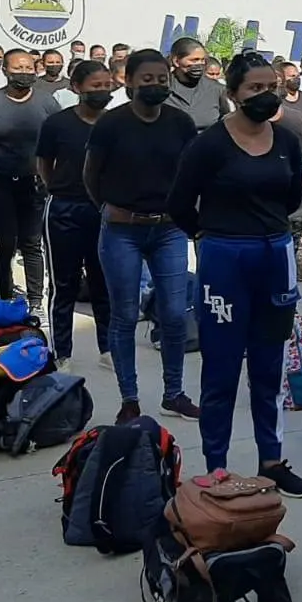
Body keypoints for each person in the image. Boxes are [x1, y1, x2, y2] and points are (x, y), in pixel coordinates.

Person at [167, 52, 302, 495]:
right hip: (225, 261)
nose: (266, 95)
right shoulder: (209, 144)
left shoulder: (286, 139)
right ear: (232, 93)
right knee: (222, 369)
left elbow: (291, 197)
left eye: (271, 87)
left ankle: (272, 461)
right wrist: (211, 238)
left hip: (276, 257)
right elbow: (179, 204)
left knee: (269, 368)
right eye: (255, 88)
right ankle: (217, 467)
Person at [85, 50, 200, 425]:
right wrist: (112, 208)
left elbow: (191, 174)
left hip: (169, 230)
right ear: (129, 81)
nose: (155, 85)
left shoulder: (181, 122)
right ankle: (129, 399)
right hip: (122, 231)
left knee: (174, 314)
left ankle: (174, 394)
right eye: (147, 79)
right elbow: (91, 175)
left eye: (162, 79)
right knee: (124, 315)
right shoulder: (111, 124)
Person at [0, 49, 61, 313]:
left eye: (29, 68)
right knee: (4, 243)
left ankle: (36, 302)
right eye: (18, 68)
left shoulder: (47, 102)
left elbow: (59, 140)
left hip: (35, 183)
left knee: (32, 243)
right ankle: (4, 301)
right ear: (5, 71)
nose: (24, 73)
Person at [35, 61, 114, 369]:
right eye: (95, 86)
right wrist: (56, 187)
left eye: (107, 85)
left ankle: (108, 349)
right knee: (63, 284)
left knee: (103, 282)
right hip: (64, 210)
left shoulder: (115, 123)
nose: (102, 91)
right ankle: (61, 352)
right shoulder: (57, 124)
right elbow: (44, 162)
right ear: (77, 87)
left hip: (103, 210)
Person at [165, 37, 228, 131]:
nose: (199, 64)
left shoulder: (216, 89)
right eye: (194, 60)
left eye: (202, 60)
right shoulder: (164, 88)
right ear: (176, 61)